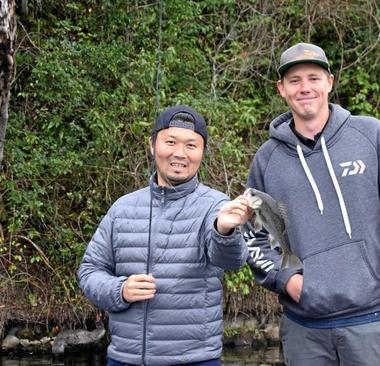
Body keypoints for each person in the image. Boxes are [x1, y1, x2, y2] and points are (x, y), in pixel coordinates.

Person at [245, 43, 380, 365]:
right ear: (281, 89)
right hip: (303, 327)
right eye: (295, 80)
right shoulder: (266, 160)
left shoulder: (370, 135)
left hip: (368, 321)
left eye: (314, 78)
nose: (305, 88)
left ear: (329, 82)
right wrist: (286, 279)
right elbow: (254, 239)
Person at [78, 105, 252, 366]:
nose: (179, 153)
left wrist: (224, 229)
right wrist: (120, 290)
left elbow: (232, 261)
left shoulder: (216, 205)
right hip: (124, 358)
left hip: (195, 359)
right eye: (170, 142)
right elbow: (90, 271)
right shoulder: (122, 208)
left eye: (191, 145)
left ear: (202, 152)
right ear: (152, 145)